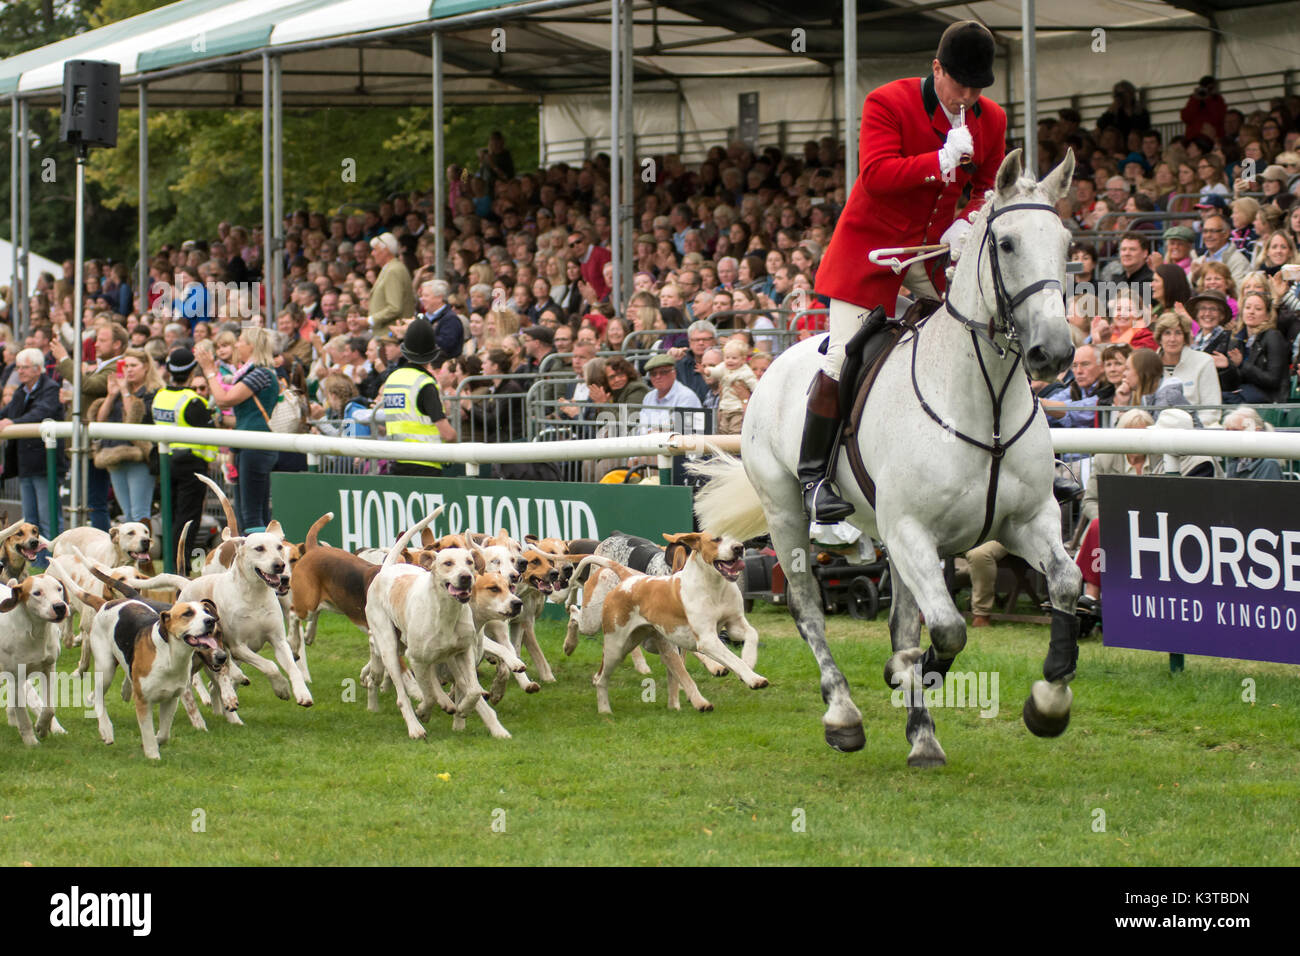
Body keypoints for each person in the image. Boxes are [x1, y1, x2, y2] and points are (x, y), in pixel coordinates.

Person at [803, 20, 1006, 522]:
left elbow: (987, 183)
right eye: (960, 84)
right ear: (936, 70)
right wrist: (936, 162)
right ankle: (814, 478)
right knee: (841, 357)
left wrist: (968, 218)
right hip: (872, 254)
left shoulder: (992, 118)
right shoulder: (887, 102)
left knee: (985, 337)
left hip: (931, 253)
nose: (969, 97)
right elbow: (874, 176)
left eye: (977, 88)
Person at [194, 327, 281, 532]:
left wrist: (209, 371)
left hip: (256, 445)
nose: (236, 345)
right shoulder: (255, 372)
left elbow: (224, 400)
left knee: (251, 513)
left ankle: (260, 557)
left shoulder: (260, 373)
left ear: (252, 346)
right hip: (248, 444)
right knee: (248, 511)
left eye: (240, 341)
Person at [152, 347, 217, 569]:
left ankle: (172, 563)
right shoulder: (194, 400)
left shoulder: (158, 396)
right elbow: (211, 431)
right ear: (192, 372)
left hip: (165, 463)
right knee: (188, 520)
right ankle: (181, 566)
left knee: (169, 516)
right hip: (191, 466)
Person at [377, 318, 457, 476]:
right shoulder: (425, 384)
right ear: (432, 354)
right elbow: (447, 433)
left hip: (396, 464)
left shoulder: (392, 379)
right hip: (425, 466)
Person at [90, 348, 160, 524]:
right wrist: (111, 395)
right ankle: (132, 552)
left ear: (145, 367)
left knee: (139, 513)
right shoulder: (120, 391)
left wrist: (125, 393)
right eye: (126, 365)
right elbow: (100, 420)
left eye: (134, 365)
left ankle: (145, 550)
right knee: (127, 515)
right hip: (114, 455)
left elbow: (133, 421)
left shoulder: (154, 393)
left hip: (138, 458)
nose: (129, 370)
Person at [0, 348, 63, 541]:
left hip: (45, 463)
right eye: (18, 367)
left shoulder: (51, 389)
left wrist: (14, 423)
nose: (20, 371)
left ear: (38, 369)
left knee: (48, 518)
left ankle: (51, 560)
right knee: (31, 519)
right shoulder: (21, 392)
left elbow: (41, 412)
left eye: (25, 367)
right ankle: (36, 561)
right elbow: (7, 413)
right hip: (25, 463)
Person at [1221, 290, 1290, 403]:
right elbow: (1230, 384)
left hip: (1268, 400)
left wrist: (1242, 364)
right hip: (1242, 395)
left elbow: (1273, 380)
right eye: (1247, 307)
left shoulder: (1273, 336)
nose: (1251, 312)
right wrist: (1227, 368)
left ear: (1267, 316)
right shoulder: (1236, 340)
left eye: (1258, 309)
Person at [1153, 312, 1221, 424]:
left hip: (1193, 432)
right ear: (1159, 338)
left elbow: (1211, 411)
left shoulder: (1204, 361)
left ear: (1185, 338)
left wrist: (1190, 428)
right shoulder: (1149, 363)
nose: (1172, 339)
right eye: (1167, 333)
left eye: (1178, 333)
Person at [639, 353, 703, 434]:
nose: (658, 377)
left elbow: (681, 430)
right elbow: (640, 428)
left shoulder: (686, 396)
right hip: (649, 443)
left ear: (674, 373)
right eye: (653, 374)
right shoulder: (648, 397)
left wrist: (652, 433)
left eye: (663, 372)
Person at [367, 233, 416, 332]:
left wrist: (370, 320)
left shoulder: (393, 270)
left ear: (385, 251)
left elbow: (394, 307)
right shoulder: (389, 269)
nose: (372, 254)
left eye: (375, 250)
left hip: (391, 334)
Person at [1223, 407, 1284, 480]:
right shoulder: (1234, 461)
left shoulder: (1269, 464)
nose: (1229, 436)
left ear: (1256, 431)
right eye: (1227, 431)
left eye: (1235, 430)